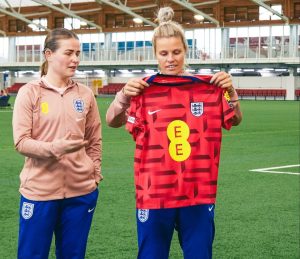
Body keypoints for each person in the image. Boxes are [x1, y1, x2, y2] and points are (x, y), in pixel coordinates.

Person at [106, 6, 242, 259]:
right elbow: (112, 121)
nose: (171, 58)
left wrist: (231, 93)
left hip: (198, 189)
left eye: (176, 52)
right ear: (156, 55)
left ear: (185, 52)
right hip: (154, 192)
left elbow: (235, 119)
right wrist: (124, 96)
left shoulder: (208, 88)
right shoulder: (142, 90)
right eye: (164, 53)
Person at [12, 28, 102, 259]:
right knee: (32, 255)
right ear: (49, 54)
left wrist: (94, 171)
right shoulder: (29, 93)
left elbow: (94, 138)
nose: (76, 59)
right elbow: (21, 142)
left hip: (81, 192)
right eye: (69, 53)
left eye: (78, 53)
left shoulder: (85, 94)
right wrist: (55, 149)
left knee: (73, 255)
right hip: (39, 192)